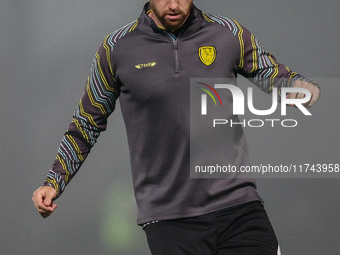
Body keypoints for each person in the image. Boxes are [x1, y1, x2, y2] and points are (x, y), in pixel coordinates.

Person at [32, 0, 320, 254]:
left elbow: (272, 74)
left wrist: (298, 88)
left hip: (238, 205)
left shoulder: (228, 33)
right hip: (169, 219)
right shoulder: (115, 49)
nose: (174, 5)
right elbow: (86, 122)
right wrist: (53, 181)